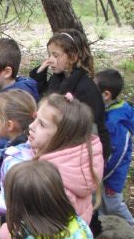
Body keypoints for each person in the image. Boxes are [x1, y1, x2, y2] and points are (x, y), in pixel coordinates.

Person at [0, 93, 104, 239]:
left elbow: (38, 233)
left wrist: (6, 234)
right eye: (35, 119)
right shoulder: (76, 163)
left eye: (42, 124)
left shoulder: (52, 182)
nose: (31, 126)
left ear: (62, 136)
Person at [29, 28, 111, 160]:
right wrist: (40, 73)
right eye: (49, 55)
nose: (50, 60)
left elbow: (91, 129)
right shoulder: (59, 78)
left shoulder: (86, 89)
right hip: (59, 145)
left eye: (55, 55)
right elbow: (42, 97)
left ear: (73, 57)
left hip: (79, 154)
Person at [0, 38, 39, 191]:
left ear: (6, 72)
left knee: (8, 199)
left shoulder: (15, 99)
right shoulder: (2, 91)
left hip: (9, 166)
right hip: (1, 163)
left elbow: (20, 137)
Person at [0, 89, 37, 218]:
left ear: (10, 125)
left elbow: (11, 203)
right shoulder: (33, 146)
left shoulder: (15, 160)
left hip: (21, 222)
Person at [95, 68, 134, 227]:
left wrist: (104, 175)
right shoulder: (111, 111)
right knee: (101, 203)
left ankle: (130, 227)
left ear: (106, 95)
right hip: (105, 173)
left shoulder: (115, 123)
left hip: (112, 175)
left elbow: (118, 155)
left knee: (113, 205)